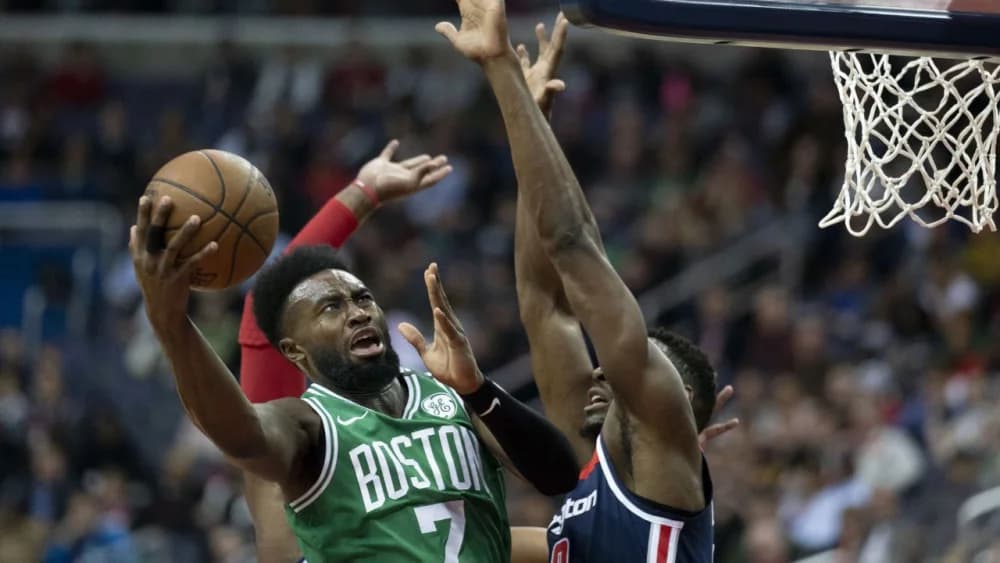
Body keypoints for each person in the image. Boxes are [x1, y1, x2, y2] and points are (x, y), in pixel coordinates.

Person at [128, 147, 579, 561]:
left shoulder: (452, 399)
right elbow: (242, 428)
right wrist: (170, 320)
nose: (356, 313)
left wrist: (479, 389)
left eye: (362, 299)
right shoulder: (306, 426)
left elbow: (558, 478)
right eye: (331, 308)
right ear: (294, 352)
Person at [438, 5, 735, 561]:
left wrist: (501, 68)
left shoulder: (660, 457)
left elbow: (572, 246)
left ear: (674, 396)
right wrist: (534, 119)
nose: (598, 368)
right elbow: (543, 305)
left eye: (623, 367)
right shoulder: (593, 478)